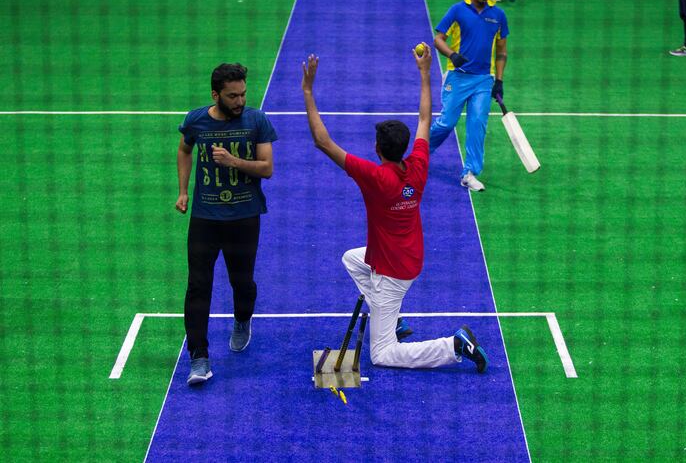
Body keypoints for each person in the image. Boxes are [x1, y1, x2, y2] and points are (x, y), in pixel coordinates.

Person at [300, 47, 488, 373]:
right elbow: (426, 118)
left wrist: (307, 90)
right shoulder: (418, 164)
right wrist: (425, 72)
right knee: (351, 259)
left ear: (377, 149)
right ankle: (393, 316)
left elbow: (322, 140)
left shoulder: (375, 177)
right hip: (409, 257)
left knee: (383, 354)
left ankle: (453, 345)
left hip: (393, 272)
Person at [176, 63, 278, 385]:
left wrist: (234, 161)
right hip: (205, 218)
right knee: (198, 286)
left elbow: (267, 168)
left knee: (242, 282)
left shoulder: (256, 120)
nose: (240, 101)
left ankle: (242, 319)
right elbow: (184, 149)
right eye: (233, 96)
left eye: (243, 93)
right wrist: (183, 191)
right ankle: (199, 357)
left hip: (244, 217)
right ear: (215, 94)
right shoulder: (196, 121)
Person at [430, 0, 509, 192]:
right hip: (457, 76)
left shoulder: (498, 15)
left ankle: (469, 173)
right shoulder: (457, 10)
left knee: (477, 125)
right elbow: (438, 39)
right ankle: (421, 154)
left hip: (484, 80)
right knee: (447, 123)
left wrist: (499, 81)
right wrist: (452, 55)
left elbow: (502, 51)